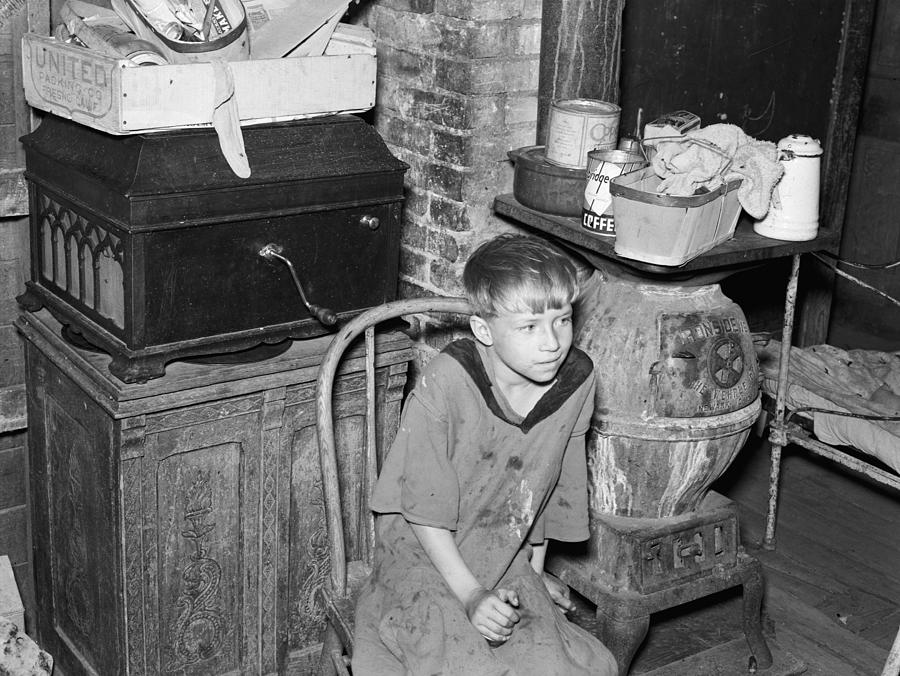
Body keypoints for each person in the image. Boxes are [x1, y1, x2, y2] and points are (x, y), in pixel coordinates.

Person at [352, 234, 617, 675]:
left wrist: (533, 569)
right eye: (529, 327)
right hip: (422, 546)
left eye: (563, 320)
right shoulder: (450, 381)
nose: (552, 342)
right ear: (483, 330)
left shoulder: (577, 381)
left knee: (557, 664)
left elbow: (551, 482)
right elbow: (422, 508)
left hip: (501, 543)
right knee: (460, 659)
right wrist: (472, 595)